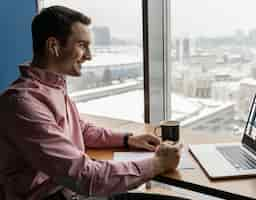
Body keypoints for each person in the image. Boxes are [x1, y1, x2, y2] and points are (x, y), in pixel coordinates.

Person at [0, 6, 181, 200]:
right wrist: (158, 163)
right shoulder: (22, 104)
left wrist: (128, 139)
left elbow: (81, 130)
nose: (89, 56)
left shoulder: (51, 88)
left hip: (72, 192)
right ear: (53, 45)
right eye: (82, 45)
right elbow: (86, 177)